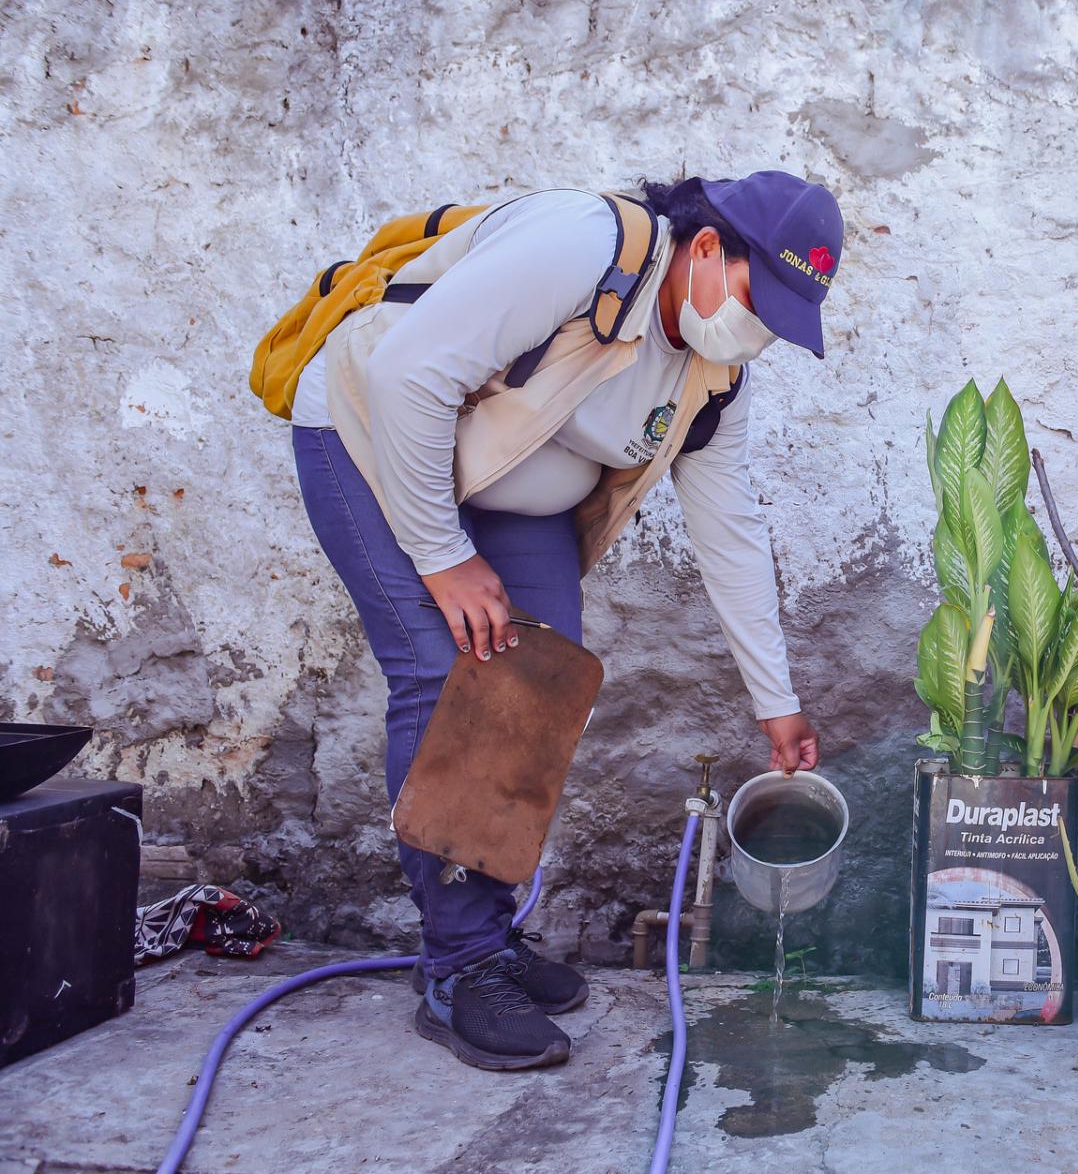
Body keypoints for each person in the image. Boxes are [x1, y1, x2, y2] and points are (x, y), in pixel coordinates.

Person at [284, 173, 842, 1071]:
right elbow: (406, 376)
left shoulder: (715, 378)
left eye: (782, 318)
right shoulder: (583, 248)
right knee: (443, 675)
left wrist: (776, 703)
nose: (760, 331)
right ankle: (459, 969)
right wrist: (442, 556)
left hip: (515, 491)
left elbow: (729, 529)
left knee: (538, 686)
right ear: (706, 249)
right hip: (367, 438)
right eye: (757, 300)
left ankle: (487, 941)